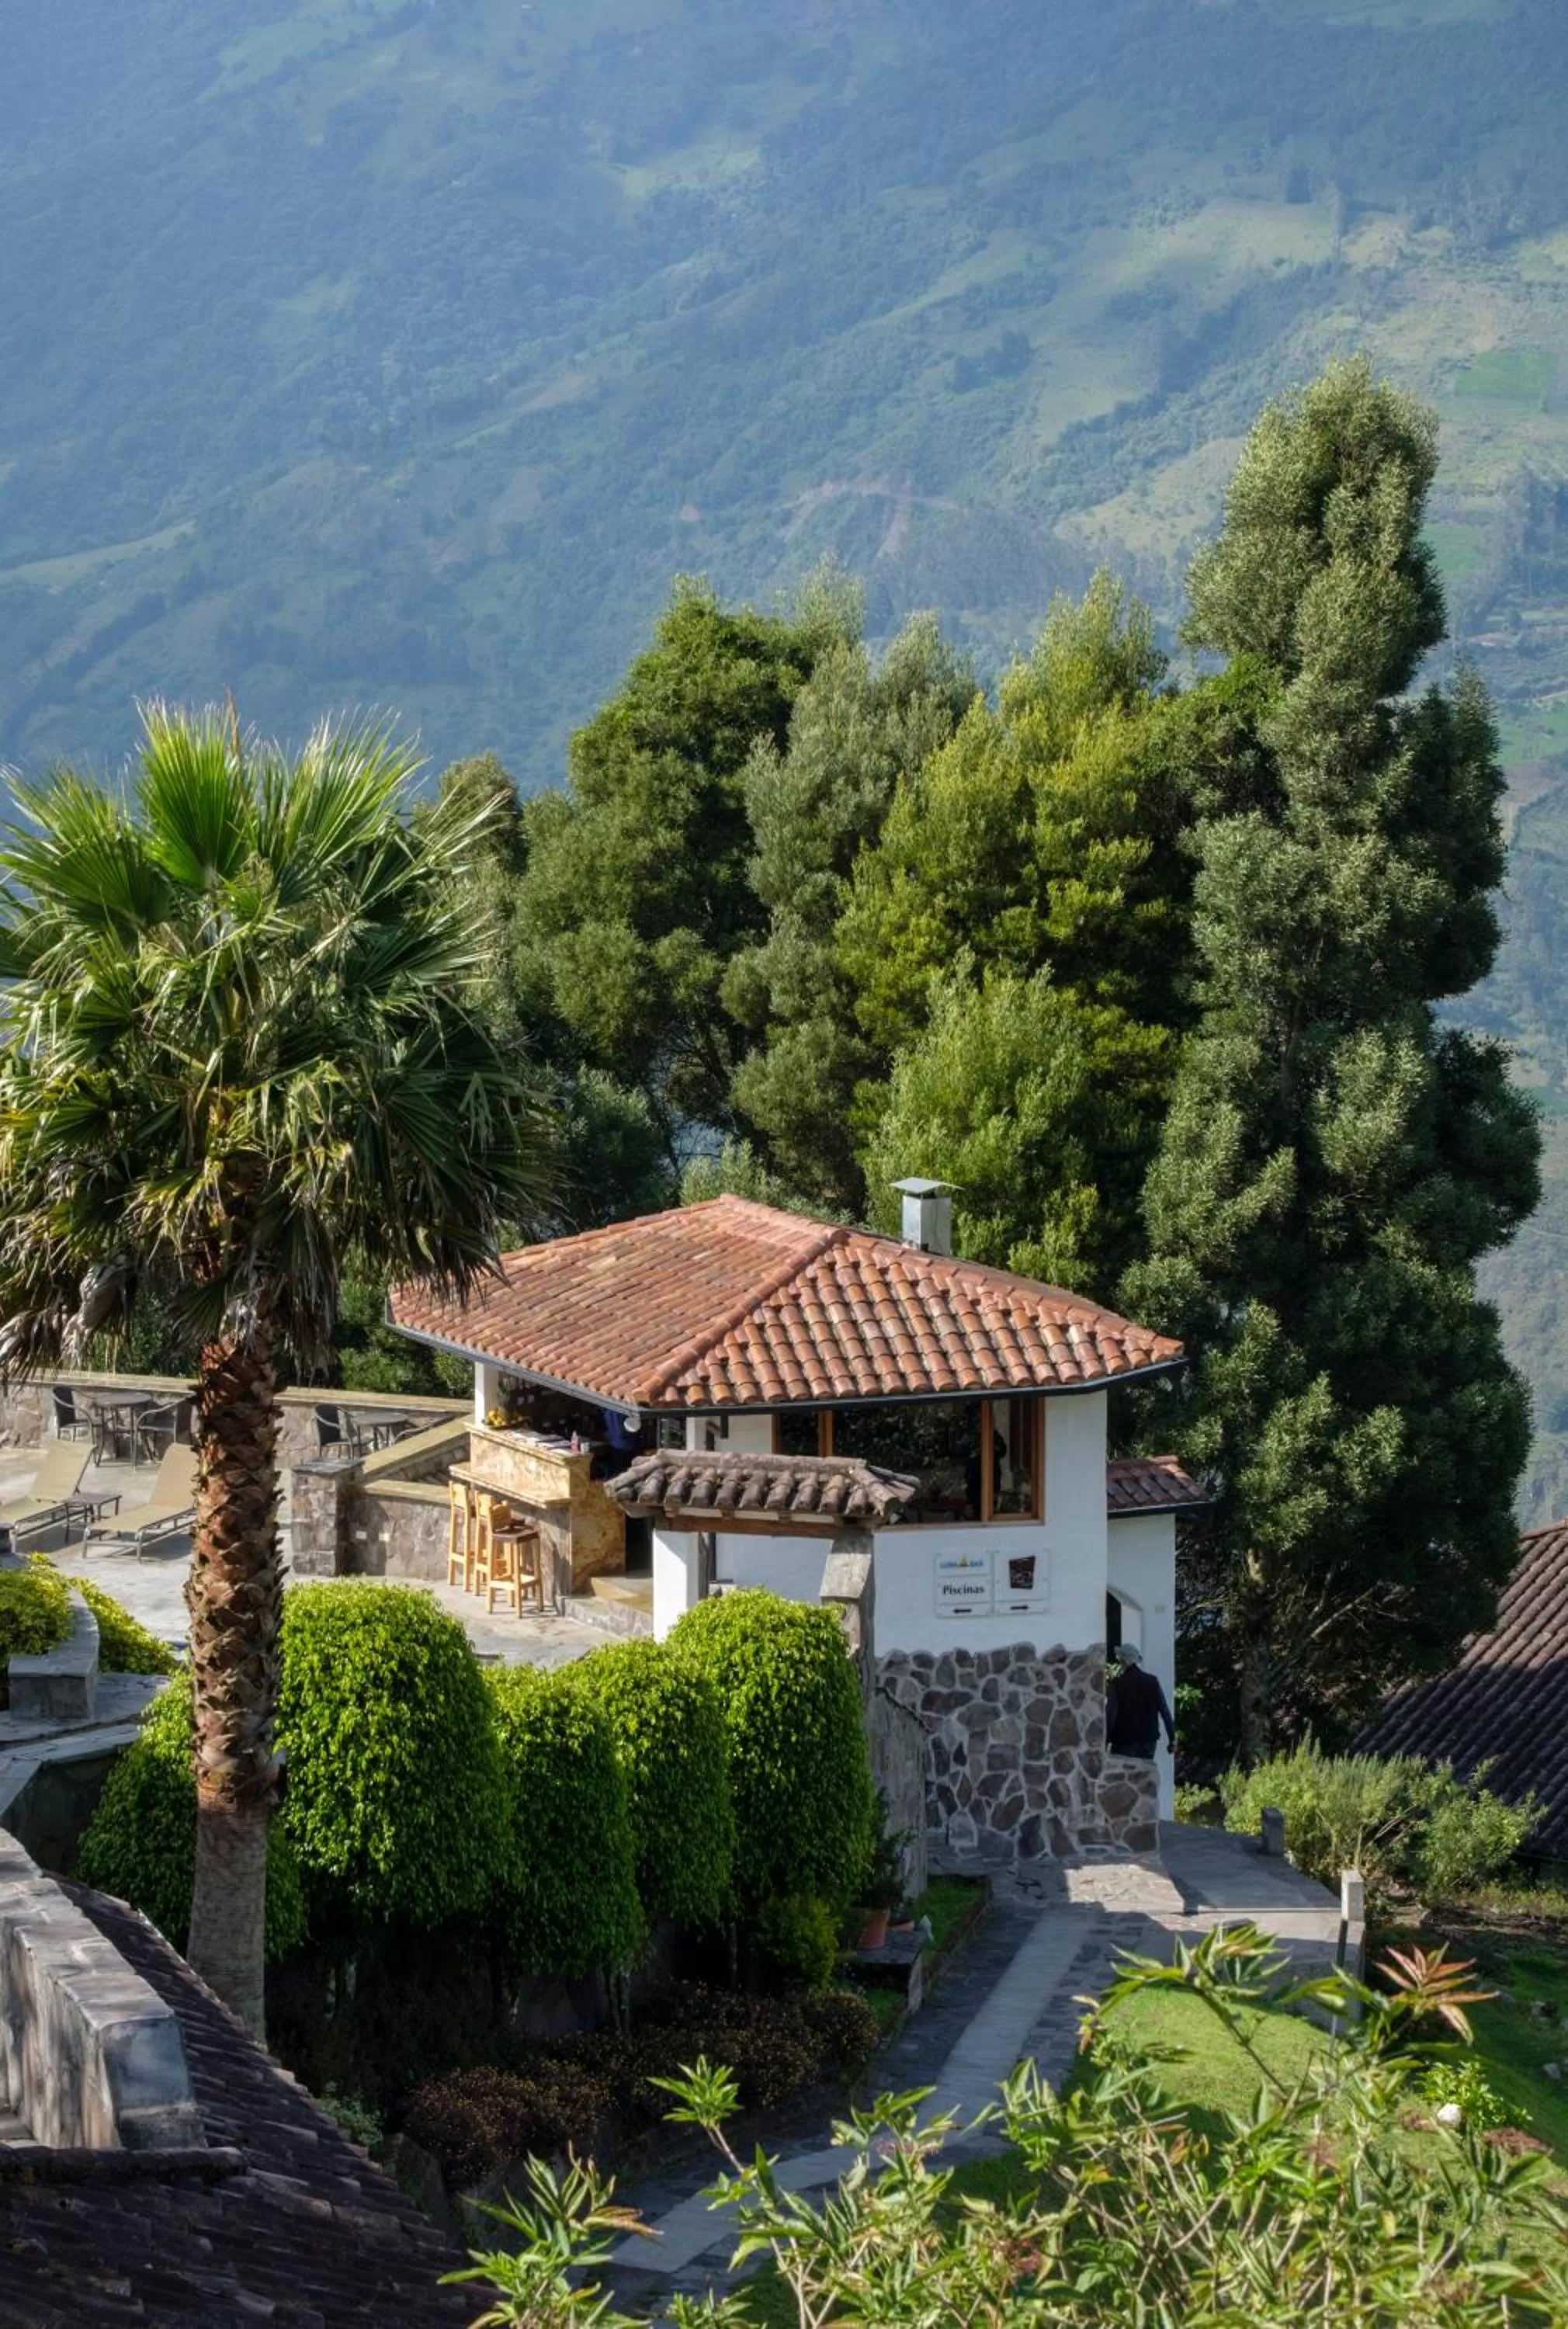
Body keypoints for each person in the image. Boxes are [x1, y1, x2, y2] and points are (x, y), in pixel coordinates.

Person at [1106, 1641, 1174, 1759]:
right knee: (1145, 1771)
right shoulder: (1153, 1682)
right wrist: (1172, 1739)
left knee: (1123, 1771)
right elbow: (1165, 1712)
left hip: (1123, 1743)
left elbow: (1111, 1715)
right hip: (1148, 1742)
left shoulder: (1118, 1684)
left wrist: (1106, 1741)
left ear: (1123, 1661)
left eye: (1120, 1659)